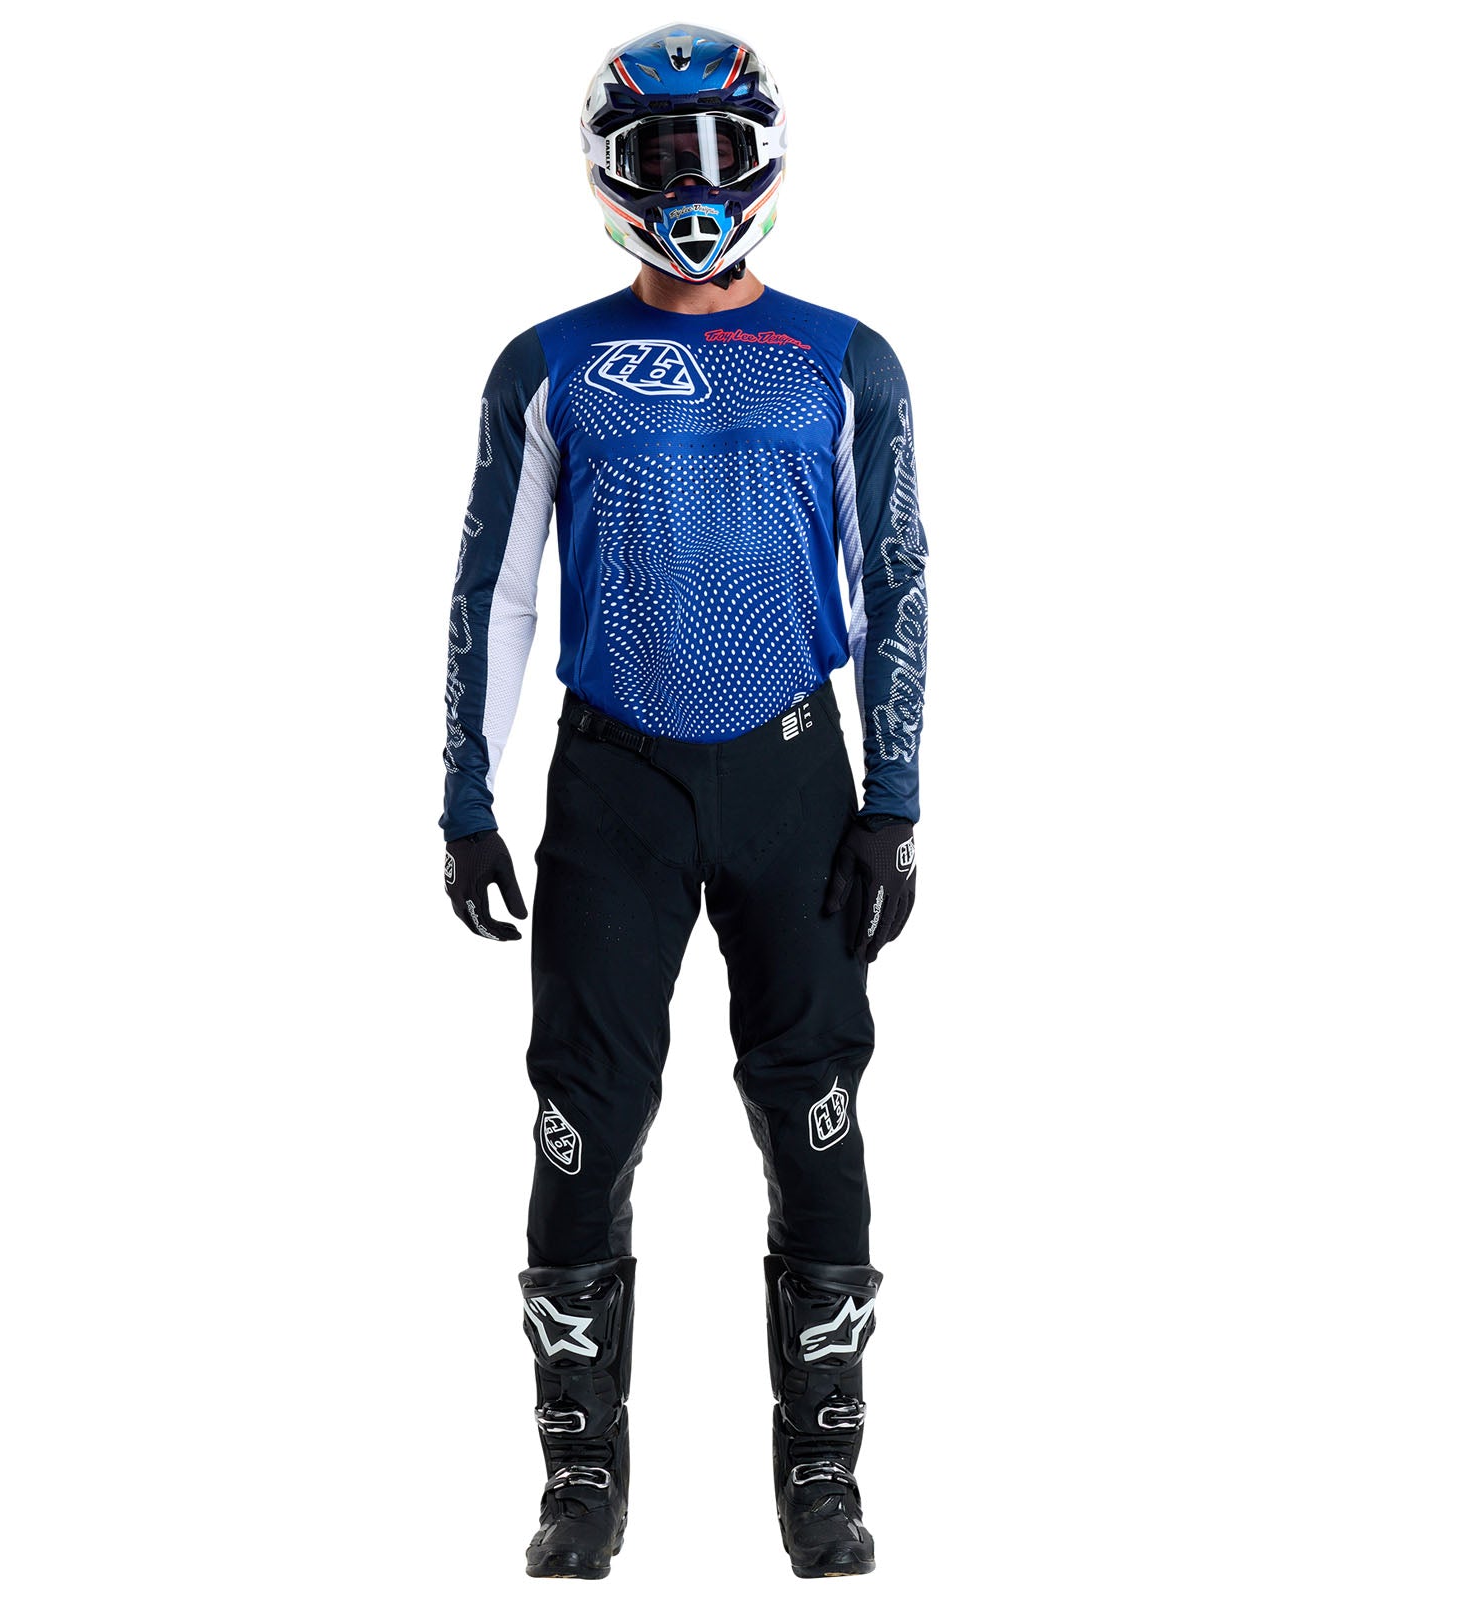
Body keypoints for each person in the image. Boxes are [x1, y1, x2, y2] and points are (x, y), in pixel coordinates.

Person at [440, 23, 928, 1580]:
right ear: (610, 172)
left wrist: (896, 797)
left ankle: (823, 1476)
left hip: (796, 779)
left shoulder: (845, 358)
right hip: (615, 784)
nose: (695, 185)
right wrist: (464, 795)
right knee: (582, 1121)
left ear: (767, 156)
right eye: (662, 156)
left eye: (721, 150)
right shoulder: (547, 364)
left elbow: (898, 576)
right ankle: (580, 1479)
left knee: (815, 1109)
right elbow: (497, 590)